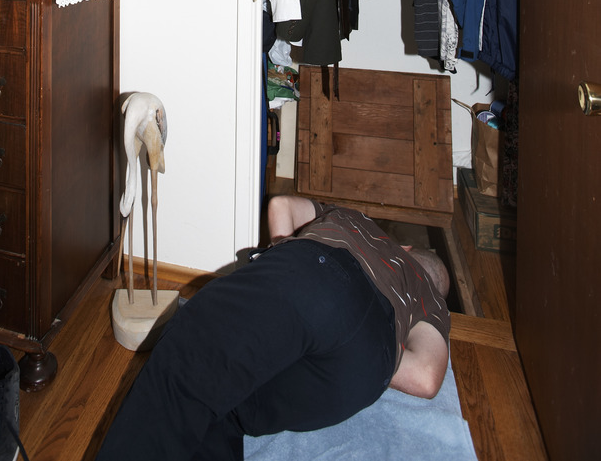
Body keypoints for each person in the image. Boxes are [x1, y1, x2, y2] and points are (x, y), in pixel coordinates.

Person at [96, 194, 451, 461]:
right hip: (364, 368)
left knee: (192, 368)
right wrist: (372, 341)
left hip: (318, 273)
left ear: (404, 247)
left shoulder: (357, 221)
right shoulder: (431, 304)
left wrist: (286, 260)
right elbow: (426, 377)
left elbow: (283, 203)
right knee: (230, 407)